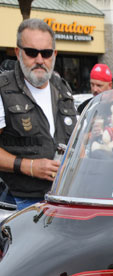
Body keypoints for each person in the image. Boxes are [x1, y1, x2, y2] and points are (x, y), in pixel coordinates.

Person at [0, 18, 77, 210]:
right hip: (18, 203)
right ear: (18, 52)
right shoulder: (3, 89)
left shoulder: (63, 88)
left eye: (46, 53)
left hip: (63, 199)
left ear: (54, 54)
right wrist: (29, 166)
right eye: (32, 52)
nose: (40, 60)